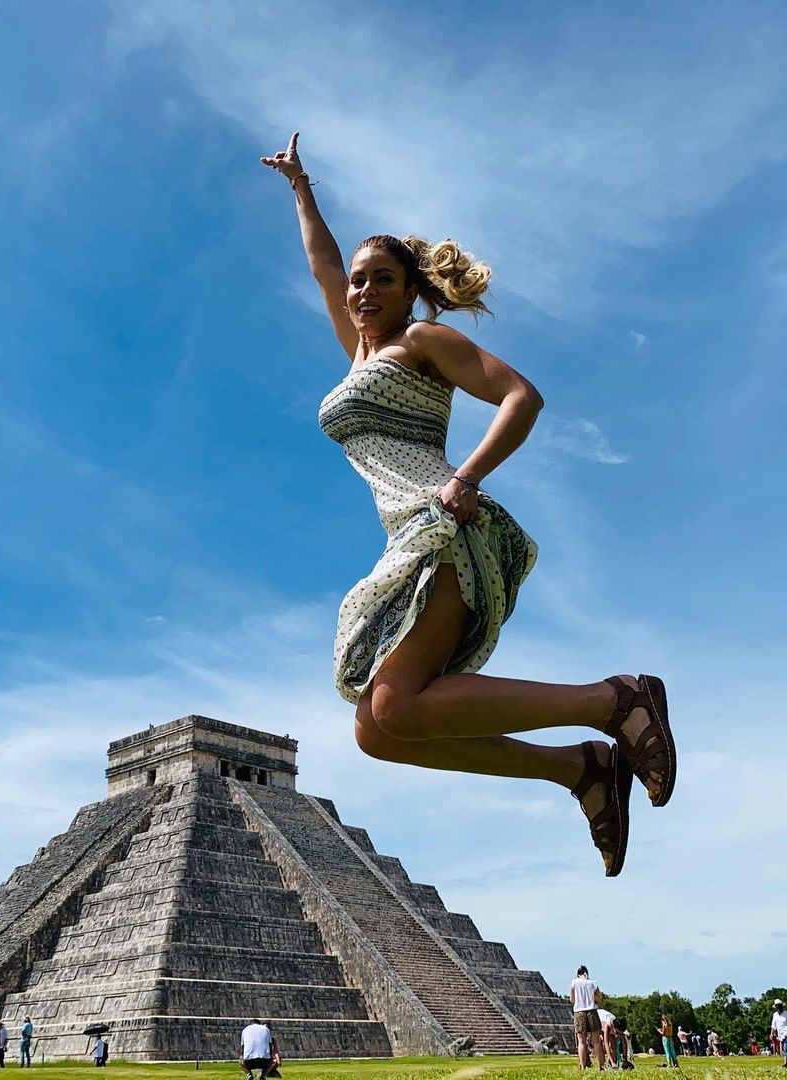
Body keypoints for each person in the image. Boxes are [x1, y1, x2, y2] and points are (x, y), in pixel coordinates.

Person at [260, 132, 677, 877]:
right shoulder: (359, 352)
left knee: (393, 710)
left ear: (411, 289)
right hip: (407, 539)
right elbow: (323, 264)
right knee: (379, 731)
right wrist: (301, 188)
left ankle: (615, 701)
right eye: (358, 281)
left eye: (380, 279)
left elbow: (523, 396)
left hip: (444, 526)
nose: (361, 291)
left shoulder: (423, 339)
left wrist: (466, 478)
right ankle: (580, 770)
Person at [569, 966, 604, 1068]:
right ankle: (601, 1066)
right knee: (596, 1042)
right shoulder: (593, 983)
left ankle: (583, 1066)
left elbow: (572, 1000)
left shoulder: (573, 982)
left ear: (577, 974)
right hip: (592, 1011)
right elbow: (599, 999)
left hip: (579, 1012)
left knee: (581, 1042)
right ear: (586, 973)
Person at [771, 998, 787, 1067]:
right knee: (784, 1049)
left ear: (782, 1006)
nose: (778, 1007)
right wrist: (771, 1033)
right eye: (777, 1005)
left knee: (786, 1049)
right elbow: (773, 1025)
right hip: (780, 1035)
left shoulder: (786, 1014)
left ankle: (785, 1063)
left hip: (786, 1033)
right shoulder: (775, 1015)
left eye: (780, 1005)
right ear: (776, 1007)